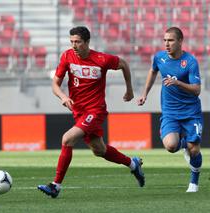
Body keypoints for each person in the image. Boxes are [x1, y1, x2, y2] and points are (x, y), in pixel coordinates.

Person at [37, 26, 145, 198]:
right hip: (79, 112)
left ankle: (55, 186)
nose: (74, 45)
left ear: (87, 42)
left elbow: (123, 64)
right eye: (71, 41)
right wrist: (63, 97)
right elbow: (55, 85)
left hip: (95, 111)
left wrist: (129, 90)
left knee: (67, 139)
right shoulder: (67, 56)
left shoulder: (101, 59)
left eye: (78, 42)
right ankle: (133, 164)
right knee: (99, 150)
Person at [137, 27, 203, 193]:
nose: (167, 44)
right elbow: (153, 71)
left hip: (191, 112)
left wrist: (178, 83)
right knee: (171, 146)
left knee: (194, 149)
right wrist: (144, 93)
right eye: (165, 40)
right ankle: (184, 145)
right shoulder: (159, 57)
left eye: (171, 40)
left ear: (180, 41)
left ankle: (194, 182)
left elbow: (197, 90)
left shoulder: (190, 61)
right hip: (170, 111)